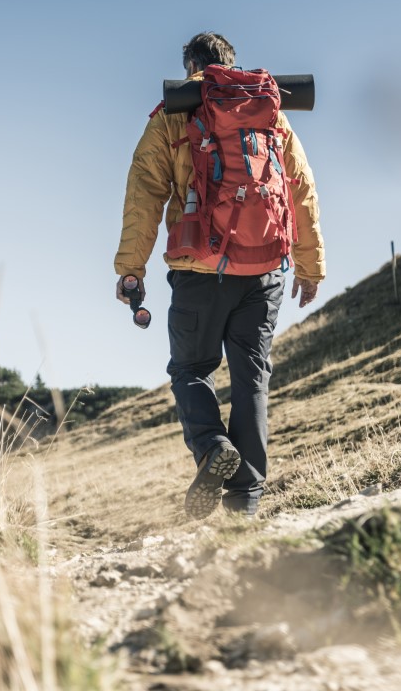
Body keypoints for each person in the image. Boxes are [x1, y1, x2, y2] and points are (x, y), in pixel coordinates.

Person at [113, 32, 327, 519]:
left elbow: (144, 195)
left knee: (191, 370)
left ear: (189, 64)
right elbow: (300, 188)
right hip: (266, 268)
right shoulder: (268, 111)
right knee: (252, 376)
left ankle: (212, 447)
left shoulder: (172, 114)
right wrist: (310, 265)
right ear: (231, 63)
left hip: (199, 269)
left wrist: (131, 269)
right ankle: (245, 503)